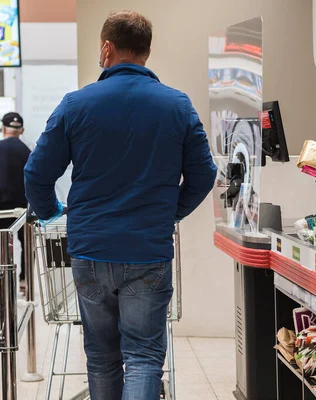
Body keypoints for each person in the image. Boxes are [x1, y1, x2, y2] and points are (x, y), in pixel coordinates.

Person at [24, 11, 217, 400]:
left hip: (90, 249)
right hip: (148, 250)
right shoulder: (177, 106)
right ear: (146, 51)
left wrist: (49, 213)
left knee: (100, 356)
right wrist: (171, 212)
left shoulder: (76, 104)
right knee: (144, 356)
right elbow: (204, 174)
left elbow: (36, 174)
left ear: (107, 48)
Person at [0, 112, 30, 289]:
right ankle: (24, 280)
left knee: (3, 242)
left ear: (3, 129)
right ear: (22, 130)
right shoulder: (28, 150)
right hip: (23, 205)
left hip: (1, 207)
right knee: (26, 242)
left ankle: (3, 279)